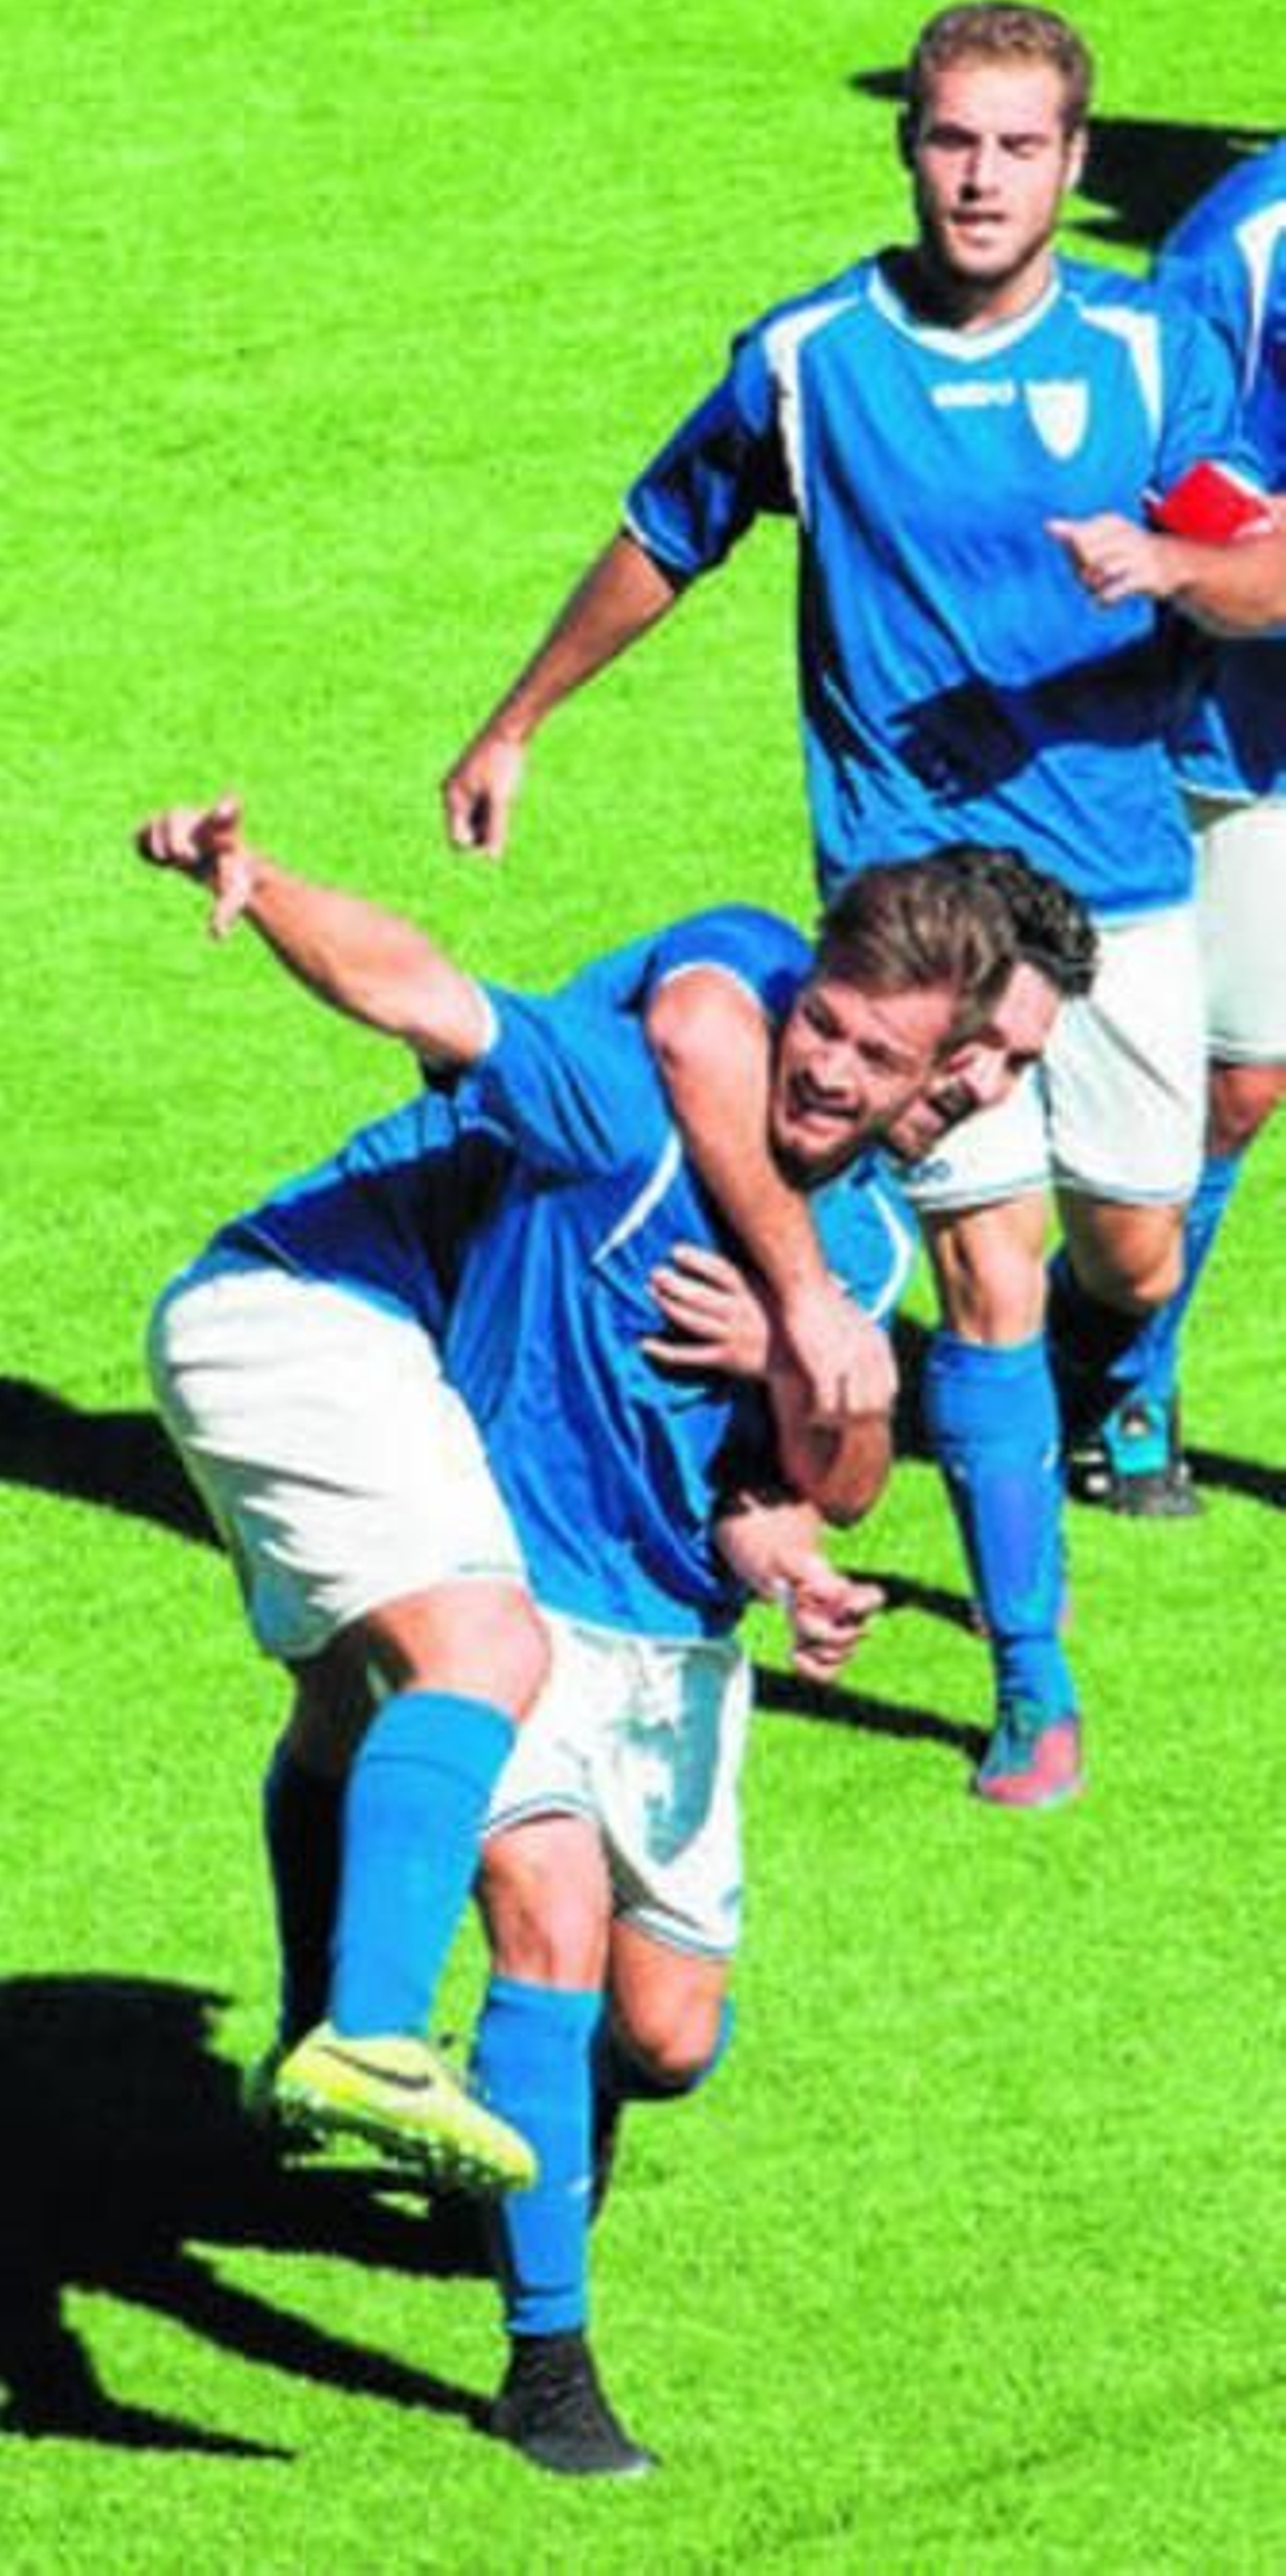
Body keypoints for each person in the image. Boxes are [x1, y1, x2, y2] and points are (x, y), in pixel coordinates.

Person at [140, 801, 1087, 2472]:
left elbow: (816, 1482)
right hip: (515, 1584)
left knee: (664, 2036)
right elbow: (424, 988)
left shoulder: (864, 1242)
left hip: (676, 1644)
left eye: (883, 1059)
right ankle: (544, 2361)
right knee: (547, 1911)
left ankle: (487, 2106)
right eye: (825, 1028)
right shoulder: (628, 1100)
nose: (831, 1070)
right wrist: (260, 879)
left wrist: (795, 1476)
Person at [439, 0, 1250, 1807]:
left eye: (1018, 147)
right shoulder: (812, 358)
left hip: (1119, 871)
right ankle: (1033, 1683)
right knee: (984, 1263)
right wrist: (516, 719)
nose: (980, 177)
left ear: (1073, 164)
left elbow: (1266, 563)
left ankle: (1117, 1364)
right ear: (910, 148)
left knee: (1127, 1247)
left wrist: (1174, 562)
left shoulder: (1147, 352)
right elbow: (666, 533)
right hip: (908, 898)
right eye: (952, 138)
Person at [1048, 141, 1286, 1510]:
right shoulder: (1238, 247)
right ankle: (1120, 1363)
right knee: (1233, 1081)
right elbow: (1191, 490)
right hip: (1240, 721)